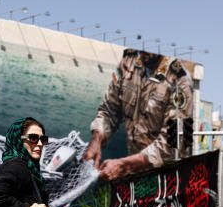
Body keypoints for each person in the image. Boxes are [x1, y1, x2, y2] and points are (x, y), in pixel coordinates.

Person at [83, 48, 194, 181]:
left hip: (167, 180)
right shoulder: (128, 63)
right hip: (133, 174)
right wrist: (97, 139)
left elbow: (176, 143)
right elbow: (110, 110)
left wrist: (124, 165)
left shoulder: (180, 80)